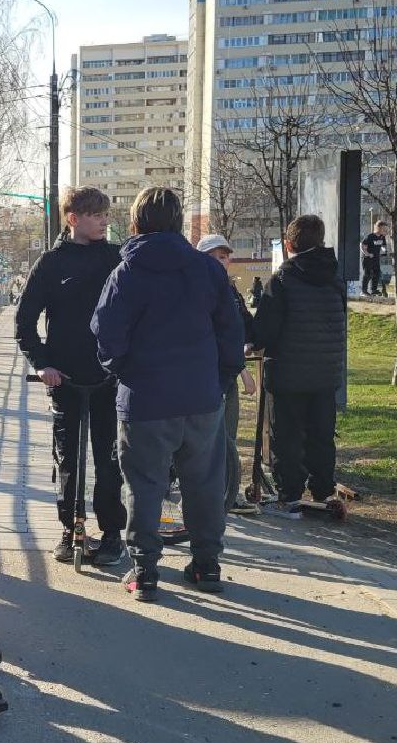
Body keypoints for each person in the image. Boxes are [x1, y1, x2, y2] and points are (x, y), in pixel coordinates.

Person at [92, 187, 244, 603]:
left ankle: (145, 571)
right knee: (205, 483)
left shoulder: (127, 273)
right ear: (178, 222)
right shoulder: (208, 270)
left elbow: (106, 335)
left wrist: (126, 373)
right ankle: (206, 563)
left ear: (136, 222)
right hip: (201, 396)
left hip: (145, 399)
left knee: (144, 485)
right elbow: (231, 334)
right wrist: (217, 380)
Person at [16, 187, 128, 566]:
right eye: (96, 215)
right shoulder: (51, 263)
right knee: (67, 457)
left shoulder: (116, 258)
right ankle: (71, 526)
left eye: (106, 214)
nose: (104, 221)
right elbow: (25, 321)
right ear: (73, 218)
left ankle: (112, 532)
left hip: (108, 377)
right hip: (64, 377)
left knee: (108, 458)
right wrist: (42, 364)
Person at [251, 214, 347, 519]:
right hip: (325, 372)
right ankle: (323, 491)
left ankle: (289, 496)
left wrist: (250, 339)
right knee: (321, 435)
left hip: (288, 373)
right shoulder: (334, 277)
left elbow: (264, 331)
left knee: (287, 436)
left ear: (288, 244)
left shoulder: (282, 280)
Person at [196, 235, 259, 515]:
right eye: (216, 256)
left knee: (227, 436)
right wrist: (244, 371)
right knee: (207, 438)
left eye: (225, 256)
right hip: (209, 373)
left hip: (227, 374)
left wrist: (250, 341)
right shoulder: (198, 288)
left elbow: (243, 324)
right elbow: (216, 337)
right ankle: (208, 494)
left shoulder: (230, 290)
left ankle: (225, 493)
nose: (222, 261)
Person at [360, 220, 388, 296]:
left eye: (385, 229)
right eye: (383, 228)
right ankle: (363, 291)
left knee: (377, 273)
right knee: (368, 274)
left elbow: (383, 247)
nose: (384, 230)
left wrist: (384, 251)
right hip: (367, 258)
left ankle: (374, 290)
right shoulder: (370, 236)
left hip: (376, 259)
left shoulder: (382, 237)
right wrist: (367, 254)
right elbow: (362, 245)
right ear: (379, 228)